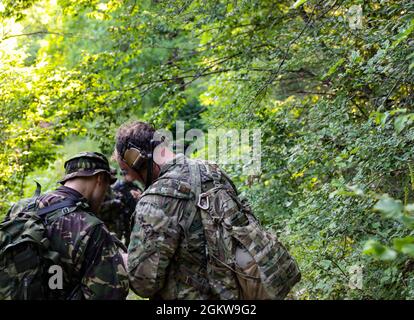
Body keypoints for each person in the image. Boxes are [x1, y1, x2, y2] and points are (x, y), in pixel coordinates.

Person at [114, 121, 301, 300]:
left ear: (136, 159)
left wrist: (125, 259)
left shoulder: (156, 200)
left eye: (125, 170)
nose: (128, 178)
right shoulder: (211, 170)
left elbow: (144, 284)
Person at [7, 152, 130, 300]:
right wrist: (119, 265)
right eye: (106, 186)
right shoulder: (90, 227)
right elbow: (109, 294)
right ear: (100, 178)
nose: (105, 194)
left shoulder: (21, 207)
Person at [100, 172, 141, 247]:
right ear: (124, 175)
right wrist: (116, 202)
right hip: (117, 217)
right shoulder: (116, 187)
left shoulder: (134, 186)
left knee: (129, 238)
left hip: (131, 215)